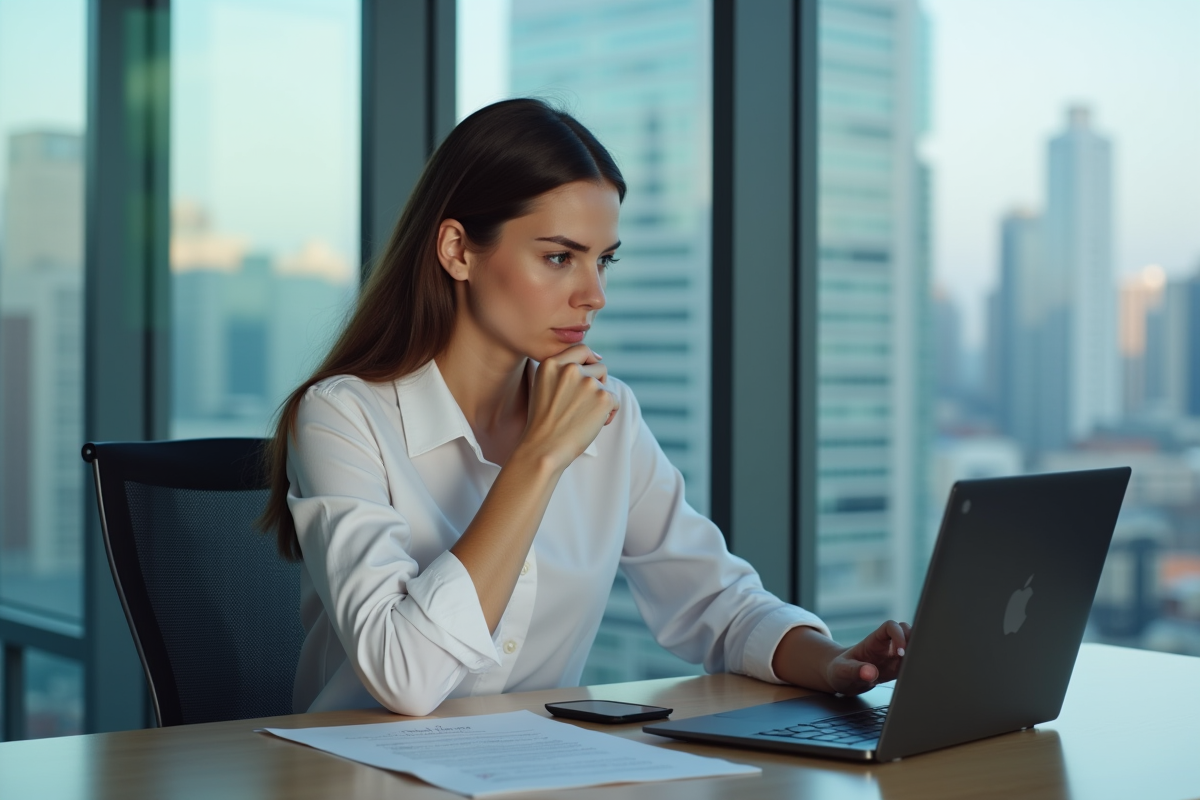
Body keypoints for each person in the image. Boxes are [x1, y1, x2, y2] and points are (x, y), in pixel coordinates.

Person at [259, 98, 910, 716]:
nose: (593, 294)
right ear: (458, 250)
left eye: (604, 261)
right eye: (559, 257)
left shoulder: (608, 411)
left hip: (536, 772)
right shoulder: (342, 416)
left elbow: (718, 603)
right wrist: (539, 459)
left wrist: (833, 664)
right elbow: (405, 676)